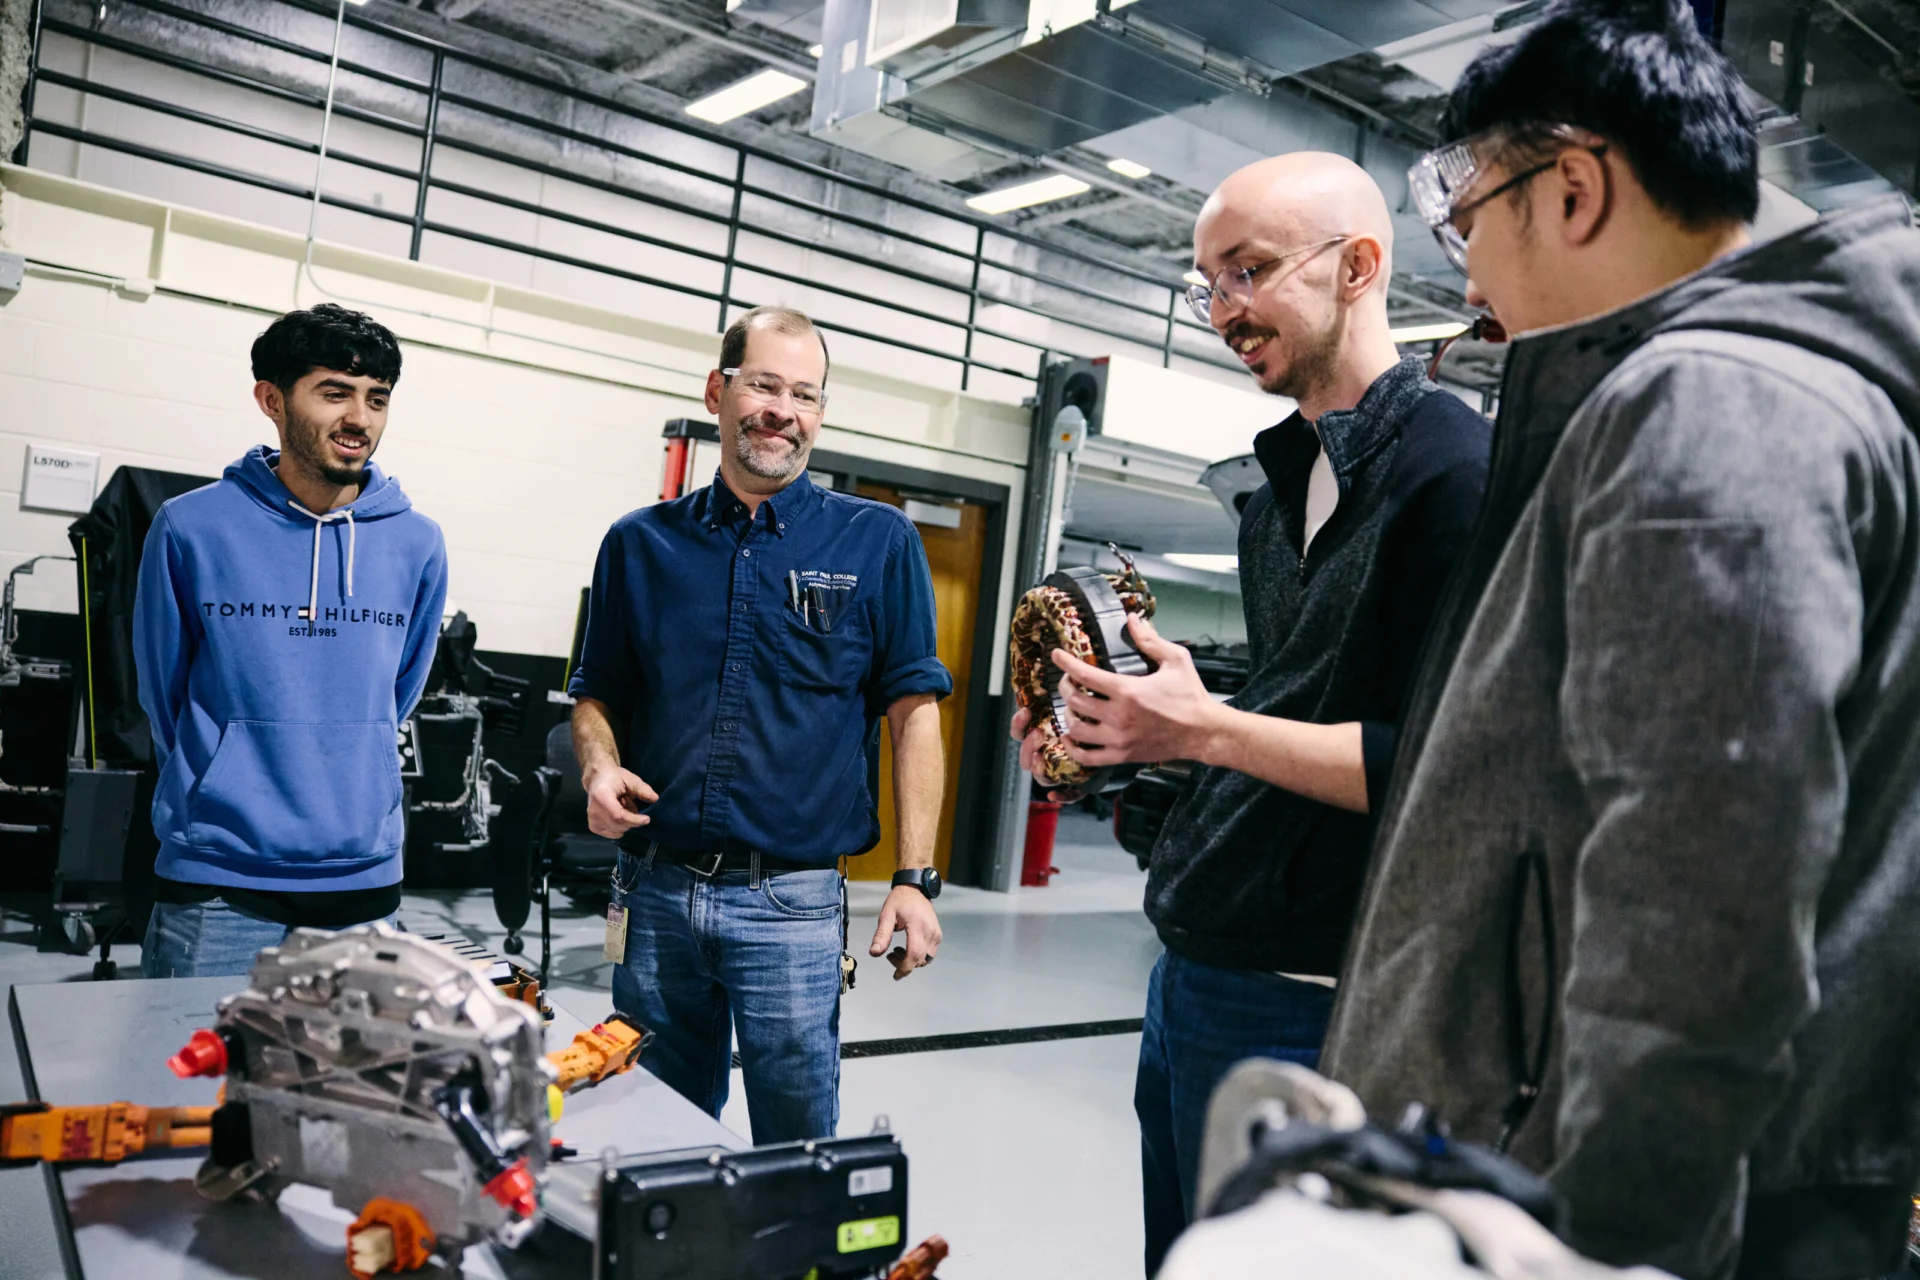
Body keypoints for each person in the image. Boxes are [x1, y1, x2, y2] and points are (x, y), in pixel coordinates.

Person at [1317, 3, 1920, 1277]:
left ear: (1575, 184)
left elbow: (1701, 894)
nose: (1468, 273)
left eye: (1468, 215)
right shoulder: (1782, 394)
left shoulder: (1718, 406)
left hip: (1622, 1219)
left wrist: (1597, 1240)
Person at [1015, 153, 1491, 1274]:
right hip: (1198, 968)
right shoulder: (1275, 499)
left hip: (1322, 1001)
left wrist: (1205, 727)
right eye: (1206, 285)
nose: (1223, 310)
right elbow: (1296, 724)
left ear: (1361, 266)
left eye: (1249, 271)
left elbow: (1446, 773)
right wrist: (1142, 727)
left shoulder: (1453, 475)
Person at [569, 305, 952, 1145]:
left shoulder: (877, 541)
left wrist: (915, 880)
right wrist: (598, 768)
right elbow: (596, 692)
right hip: (654, 890)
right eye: (765, 385)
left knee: (799, 1139)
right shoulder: (639, 545)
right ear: (718, 390)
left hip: (792, 902)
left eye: (806, 394)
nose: (783, 409)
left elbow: (913, 714)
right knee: (649, 1127)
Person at [134, 304, 449, 978]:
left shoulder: (417, 543)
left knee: (344, 1084)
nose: (359, 419)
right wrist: (226, 772)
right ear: (272, 400)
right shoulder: (190, 527)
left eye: (376, 399)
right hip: (216, 879)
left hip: (363, 881)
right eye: (334, 392)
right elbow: (162, 694)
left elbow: (400, 694)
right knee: (194, 1084)